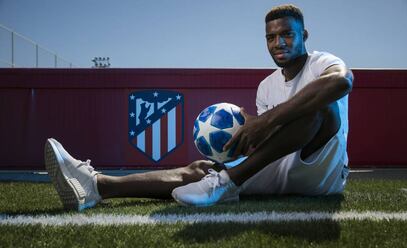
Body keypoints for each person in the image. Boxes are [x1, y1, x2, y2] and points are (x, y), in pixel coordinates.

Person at [45, 4, 353, 211]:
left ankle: (228, 183)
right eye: (271, 37)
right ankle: (95, 186)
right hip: (280, 168)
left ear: (304, 35)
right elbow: (271, 140)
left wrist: (266, 120)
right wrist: (248, 131)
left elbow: (340, 83)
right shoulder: (266, 86)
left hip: (322, 175)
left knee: (321, 108)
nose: (279, 43)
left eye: (287, 34)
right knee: (202, 171)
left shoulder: (322, 62)